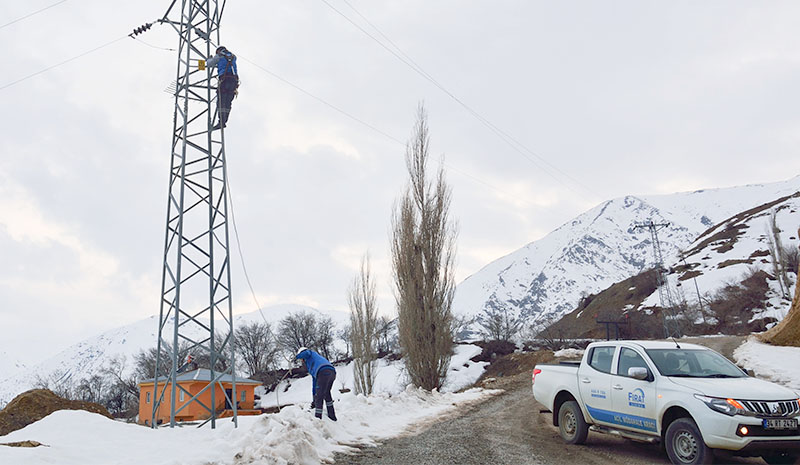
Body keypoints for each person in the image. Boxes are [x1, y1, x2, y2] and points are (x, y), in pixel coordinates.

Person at [295, 347, 337, 421]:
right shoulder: (313, 362)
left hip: (323, 371)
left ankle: (318, 419)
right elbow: (315, 383)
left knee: (319, 396)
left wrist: (297, 356)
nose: (301, 360)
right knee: (327, 394)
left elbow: (306, 353)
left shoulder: (309, 353)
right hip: (331, 372)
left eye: (301, 359)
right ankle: (332, 416)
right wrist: (314, 397)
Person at [207, 45, 239, 130]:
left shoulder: (219, 56)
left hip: (224, 80)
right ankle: (223, 122)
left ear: (218, 51)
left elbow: (209, 64)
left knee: (221, 101)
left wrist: (209, 59)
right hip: (234, 82)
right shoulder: (233, 56)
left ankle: (221, 122)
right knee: (228, 102)